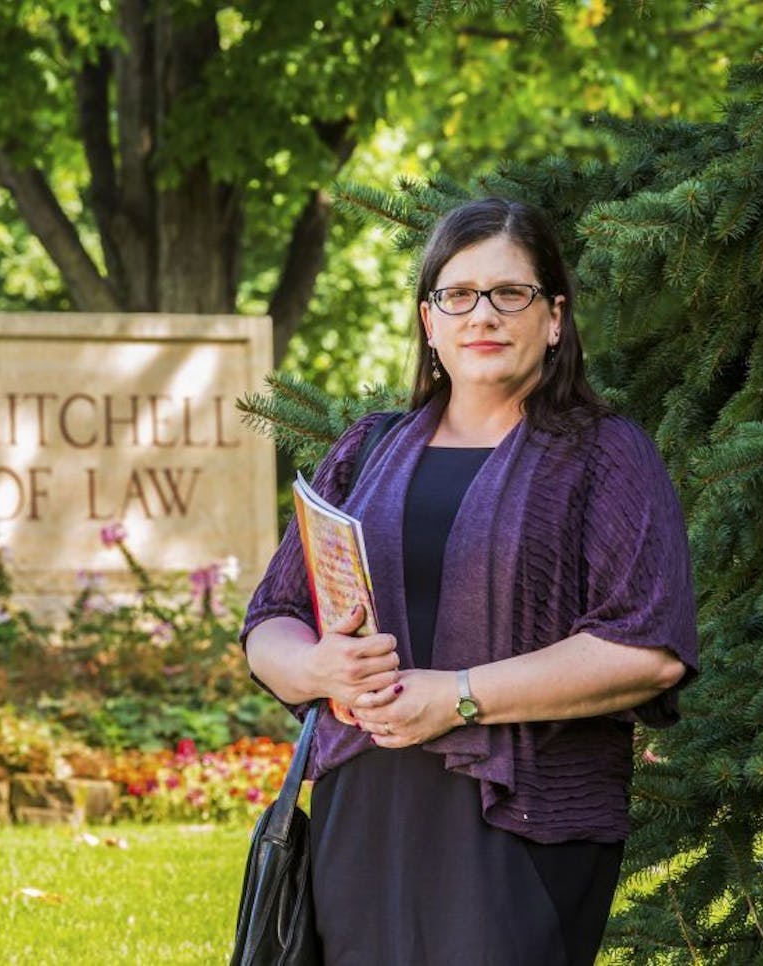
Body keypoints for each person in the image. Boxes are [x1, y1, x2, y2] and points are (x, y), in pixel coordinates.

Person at [242, 196, 699, 965]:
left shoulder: (606, 455)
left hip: (519, 826)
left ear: (554, 317)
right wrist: (315, 667)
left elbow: (649, 650)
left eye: (508, 294)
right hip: (365, 815)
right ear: (430, 322)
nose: (481, 315)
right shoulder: (367, 449)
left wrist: (456, 695)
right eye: (457, 295)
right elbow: (271, 621)